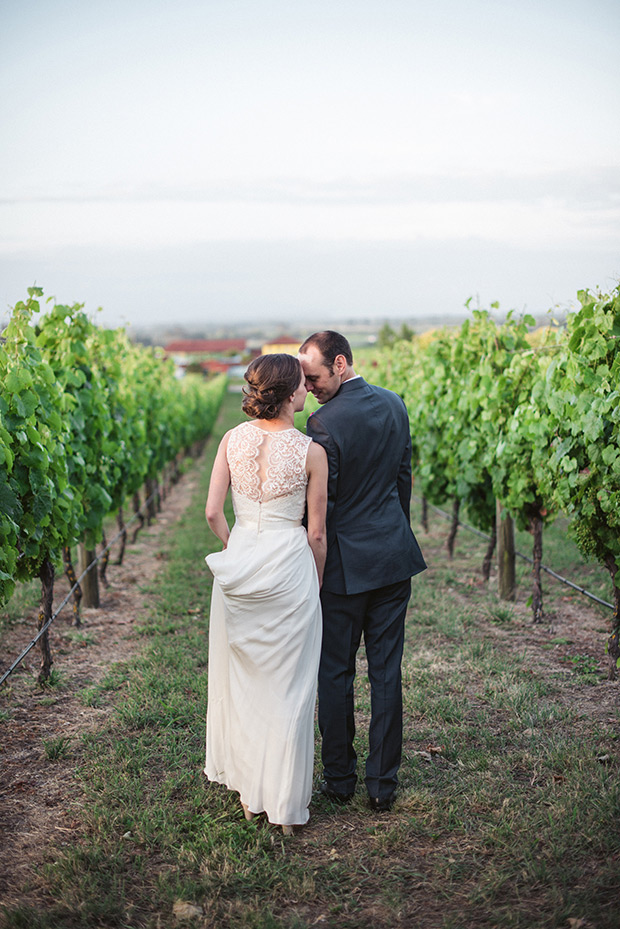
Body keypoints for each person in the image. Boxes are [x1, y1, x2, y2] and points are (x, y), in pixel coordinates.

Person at [298, 331, 426, 812]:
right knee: (386, 672)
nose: (308, 387)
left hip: (344, 569)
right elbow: (403, 481)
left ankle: (339, 779)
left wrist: (315, 564)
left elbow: (320, 508)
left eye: (313, 377)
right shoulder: (395, 404)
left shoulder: (323, 423)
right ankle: (382, 785)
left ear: (341, 363)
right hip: (393, 558)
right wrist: (395, 536)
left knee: (335, 672)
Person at [203, 353, 328, 835]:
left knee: (244, 683)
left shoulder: (232, 440)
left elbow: (214, 512)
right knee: (291, 689)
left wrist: (238, 549)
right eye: (301, 383)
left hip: (242, 564)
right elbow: (316, 533)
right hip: (289, 567)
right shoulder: (310, 452)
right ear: (288, 392)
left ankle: (251, 797)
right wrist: (315, 577)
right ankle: (283, 803)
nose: (306, 389)